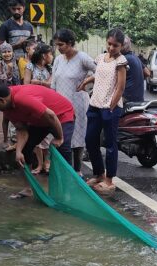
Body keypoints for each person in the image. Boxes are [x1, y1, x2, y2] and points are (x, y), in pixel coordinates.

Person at [0, 83, 74, 199]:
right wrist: (18, 151)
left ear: (1, 100)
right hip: (40, 120)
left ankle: (68, 191)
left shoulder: (22, 98)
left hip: (61, 114)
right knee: (25, 151)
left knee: (63, 149)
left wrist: (59, 137)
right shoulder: (7, 108)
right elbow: (22, 129)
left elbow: (51, 115)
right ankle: (28, 188)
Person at [77, 29, 127, 194]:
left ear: (121, 46)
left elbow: (120, 87)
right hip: (95, 105)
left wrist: (111, 107)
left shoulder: (121, 61)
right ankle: (99, 174)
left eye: (116, 45)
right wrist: (87, 81)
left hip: (110, 108)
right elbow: (99, 75)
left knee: (111, 144)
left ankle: (109, 179)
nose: (112, 48)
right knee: (90, 140)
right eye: (110, 44)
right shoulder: (101, 57)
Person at [51, 28, 96, 174]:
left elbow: (100, 70)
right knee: (62, 137)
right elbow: (53, 84)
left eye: (61, 45)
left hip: (78, 104)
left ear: (70, 43)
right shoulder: (58, 59)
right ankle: (64, 171)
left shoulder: (82, 57)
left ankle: (77, 171)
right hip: (60, 105)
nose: (58, 48)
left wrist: (87, 81)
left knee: (77, 138)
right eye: (57, 45)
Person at [23, 44, 54, 174]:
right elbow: (26, 84)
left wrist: (39, 83)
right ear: (44, 55)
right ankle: (40, 164)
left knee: (47, 135)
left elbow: (51, 84)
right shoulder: (30, 66)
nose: (52, 57)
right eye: (50, 54)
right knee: (36, 135)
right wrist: (43, 84)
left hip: (48, 103)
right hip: (34, 103)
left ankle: (47, 162)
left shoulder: (51, 68)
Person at [0, 42, 21, 150]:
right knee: (6, 118)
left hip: (16, 93)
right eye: (4, 52)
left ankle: (16, 137)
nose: (7, 54)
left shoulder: (16, 62)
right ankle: (5, 139)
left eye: (9, 51)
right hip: (5, 94)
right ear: (0, 53)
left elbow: (18, 79)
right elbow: (0, 80)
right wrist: (9, 71)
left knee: (17, 117)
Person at [121, 36, 144, 104]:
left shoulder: (123, 59)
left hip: (127, 98)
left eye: (115, 45)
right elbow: (147, 73)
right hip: (139, 98)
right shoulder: (135, 57)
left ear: (121, 46)